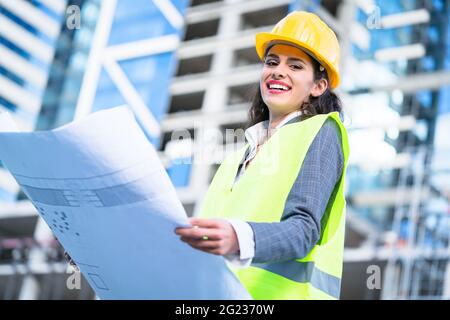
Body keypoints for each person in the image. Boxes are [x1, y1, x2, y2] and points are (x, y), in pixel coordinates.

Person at [175, 11, 350, 300]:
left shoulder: (323, 131)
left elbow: (304, 229)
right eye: (272, 62)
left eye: (295, 66)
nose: (278, 71)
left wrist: (238, 238)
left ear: (318, 86)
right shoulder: (235, 159)